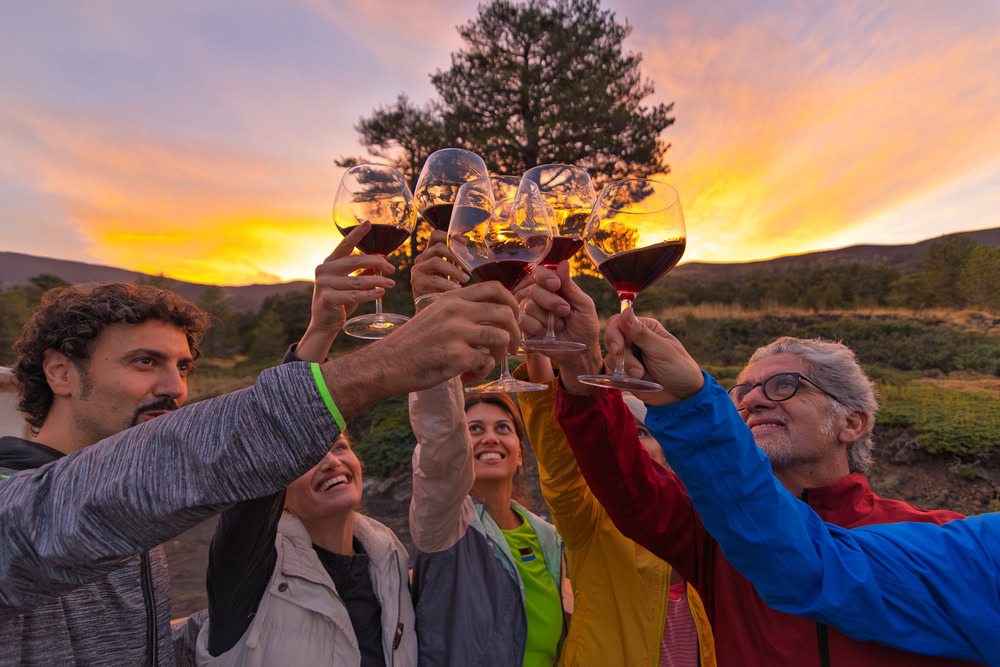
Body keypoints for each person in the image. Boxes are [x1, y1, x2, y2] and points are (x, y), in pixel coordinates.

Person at [0, 241, 524, 666]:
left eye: (182, 368)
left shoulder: (129, 527)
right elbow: (94, 499)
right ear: (60, 372)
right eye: (144, 362)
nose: (175, 389)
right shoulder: (23, 507)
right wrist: (375, 368)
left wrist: (319, 334)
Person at [518, 261, 979, 667]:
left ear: (852, 422)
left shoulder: (935, 540)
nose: (753, 400)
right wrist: (582, 364)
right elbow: (625, 480)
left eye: (783, 385)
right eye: (741, 391)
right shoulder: (715, 538)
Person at [195, 223, 417, 666]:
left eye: (339, 447)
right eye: (309, 456)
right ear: (277, 481)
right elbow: (267, 442)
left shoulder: (388, 555)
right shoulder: (251, 570)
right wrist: (320, 331)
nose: (330, 461)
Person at [406, 231, 566, 667]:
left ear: (520, 451)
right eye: (473, 429)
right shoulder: (444, 524)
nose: (490, 437)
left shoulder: (548, 537)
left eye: (503, 428)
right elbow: (441, 439)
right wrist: (433, 317)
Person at [513, 353, 716, 666]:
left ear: (665, 449)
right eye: (624, 433)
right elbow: (557, 459)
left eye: (640, 433)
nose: (630, 443)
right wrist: (541, 357)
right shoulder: (589, 517)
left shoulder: (700, 516)